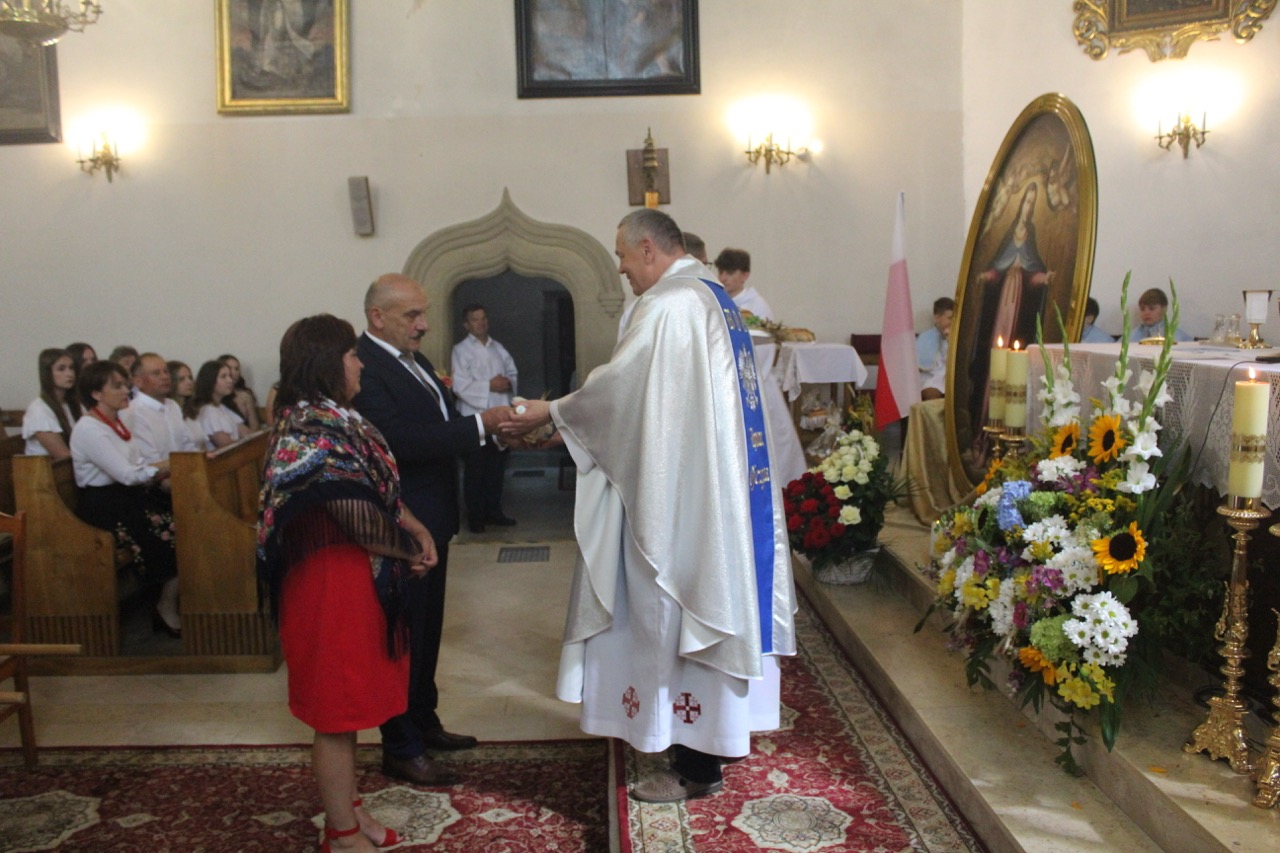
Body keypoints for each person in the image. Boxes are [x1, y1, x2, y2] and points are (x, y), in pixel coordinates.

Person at [503, 209, 796, 804]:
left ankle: (695, 766)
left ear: (646, 248)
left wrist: (551, 412)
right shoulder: (713, 298)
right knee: (705, 604)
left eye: (620, 254)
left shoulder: (670, 304)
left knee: (675, 605)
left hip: (683, 497)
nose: (619, 268)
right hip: (713, 490)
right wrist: (563, 425)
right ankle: (705, 747)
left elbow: (623, 391)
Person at [258, 313, 437, 852]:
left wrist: (414, 526)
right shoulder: (310, 427)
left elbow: (374, 491)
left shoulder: (334, 416)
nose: (360, 363)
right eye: (353, 355)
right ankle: (340, 833)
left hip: (352, 577)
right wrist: (409, 549)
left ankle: (352, 810)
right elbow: (354, 516)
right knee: (336, 713)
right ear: (327, 363)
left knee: (354, 701)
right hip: (328, 584)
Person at [350, 273, 512, 786]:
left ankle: (423, 720)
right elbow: (398, 440)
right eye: (412, 315)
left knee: (427, 629)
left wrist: (497, 435)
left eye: (423, 313)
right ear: (378, 317)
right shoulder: (365, 367)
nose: (423, 325)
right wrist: (484, 424)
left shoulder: (413, 360)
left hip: (434, 515)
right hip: (401, 521)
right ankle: (400, 745)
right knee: (403, 635)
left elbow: (440, 427)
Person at [69, 361, 181, 637]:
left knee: (187, 527)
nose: (125, 391)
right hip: (105, 506)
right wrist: (172, 464)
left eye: (125, 385)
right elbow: (127, 474)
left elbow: (138, 464)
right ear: (96, 394)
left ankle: (168, 604)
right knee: (168, 538)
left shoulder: (116, 422)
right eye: (117, 386)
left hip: (128, 498)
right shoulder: (89, 429)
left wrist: (165, 467)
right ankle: (165, 607)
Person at [450, 304, 518, 533]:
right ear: (466, 324)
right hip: (474, 418)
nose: (481, 323)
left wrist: (507, 382)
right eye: (475, 319)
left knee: (496, 468)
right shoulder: (460, 350)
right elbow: (459, 385)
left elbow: (512, 373)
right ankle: (475, 517)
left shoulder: (498, 348)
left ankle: (494, 511)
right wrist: (489, 385)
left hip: (500, 417)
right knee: (475, 469)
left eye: (483, 318)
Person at [977, 183, 1055, 349]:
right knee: (999, 328)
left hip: (1020, 292)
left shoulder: (1030, 233)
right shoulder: (1010, 232)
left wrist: (1044, 278)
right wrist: (986, 276)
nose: (1029, 207)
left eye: (1032, 204)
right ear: (1021, 204)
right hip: (1003, 291)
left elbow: (1033, 270)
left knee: (1015, 331)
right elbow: (998, 267)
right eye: (1027, 202)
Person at [122, 353, 205, 465]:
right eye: (156, 373)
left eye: (166, 372)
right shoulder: (134, 412)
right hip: (160, 474)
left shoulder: (172, 405)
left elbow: (187, 444)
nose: (165, 377)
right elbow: (150, 462)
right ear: (138, 381)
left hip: (183, 471)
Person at [22, 348, 83, 458]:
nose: (69, 374)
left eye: (71, 368)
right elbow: (63, 456)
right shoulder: (39, 409)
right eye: (61, 369)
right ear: (47, 373)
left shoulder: (72, 404)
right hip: (48, 468)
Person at [187, 360, 252, 449]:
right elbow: (227, 446)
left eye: (230, 376)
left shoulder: (222, 407)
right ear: (210, 381)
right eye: (223, 377)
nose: (230, 381)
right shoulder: (208, 411)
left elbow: (246, 433)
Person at [714, 247, 775, 321]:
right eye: (720, 272)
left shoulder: (758, 306)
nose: (723, 278)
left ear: (745, 275)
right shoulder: (715, 302)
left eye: (730, 273)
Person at [167, 360, 213, 451]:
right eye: (181, 379)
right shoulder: (170, 413)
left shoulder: (191, 412)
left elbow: (202, 443)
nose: (189, 382)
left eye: (190, 378)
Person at [916, 297, 954, 401]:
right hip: (930, 377)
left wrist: (950, 341)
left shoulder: (958, 337)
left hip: (951, 377)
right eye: (950, 318)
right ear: (937, 318)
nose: (953, 321)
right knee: (931, 393)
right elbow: (918, 365)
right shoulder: (925, 337)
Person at [219, 353, 263, 430]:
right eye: (229, 368)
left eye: (236, 369)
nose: (234, 373)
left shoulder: (245, 396)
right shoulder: (214, 397)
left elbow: (255, 426)